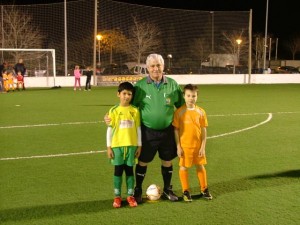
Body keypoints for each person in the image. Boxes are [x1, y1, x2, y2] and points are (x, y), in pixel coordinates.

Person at [105, 53, 185, 204]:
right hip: (147, 131)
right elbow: (128, 106)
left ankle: (168, 188)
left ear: (163, 66)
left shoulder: (173, 84)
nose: (156, 69)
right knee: (143, 161)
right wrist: (109, 117)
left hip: (167, 130)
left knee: (167, 160)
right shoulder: (140, 86)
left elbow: (181, 107)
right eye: (152, 66)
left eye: (158, 65)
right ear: (147, 68)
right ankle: (138, 189)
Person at [172, 84, 212, 202]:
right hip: (185, 146)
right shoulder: (179, 112)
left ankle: (204, 189)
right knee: (183, 167)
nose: (191, 98)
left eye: (193, 96)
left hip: (198, 147)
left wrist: (203, 147)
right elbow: (176, 130)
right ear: (184, 96)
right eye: (188, 95)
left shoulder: (201, 112)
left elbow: (204, 129)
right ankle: (186, 191)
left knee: (200, 166)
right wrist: (178, 146)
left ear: (197, 97)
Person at [106, 81, 142, 208]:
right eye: (124, 93)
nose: (126, 96)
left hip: (131, 146)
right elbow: (109, 129)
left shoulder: (135, 111)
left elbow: (138, 129)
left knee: (130, 171)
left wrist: (139, 146)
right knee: (118, 171)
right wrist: (109, 147)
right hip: (117, 146)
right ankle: (117, 197)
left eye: (129, 94)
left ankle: (130, 196)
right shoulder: (113, 111)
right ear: (118, 94)